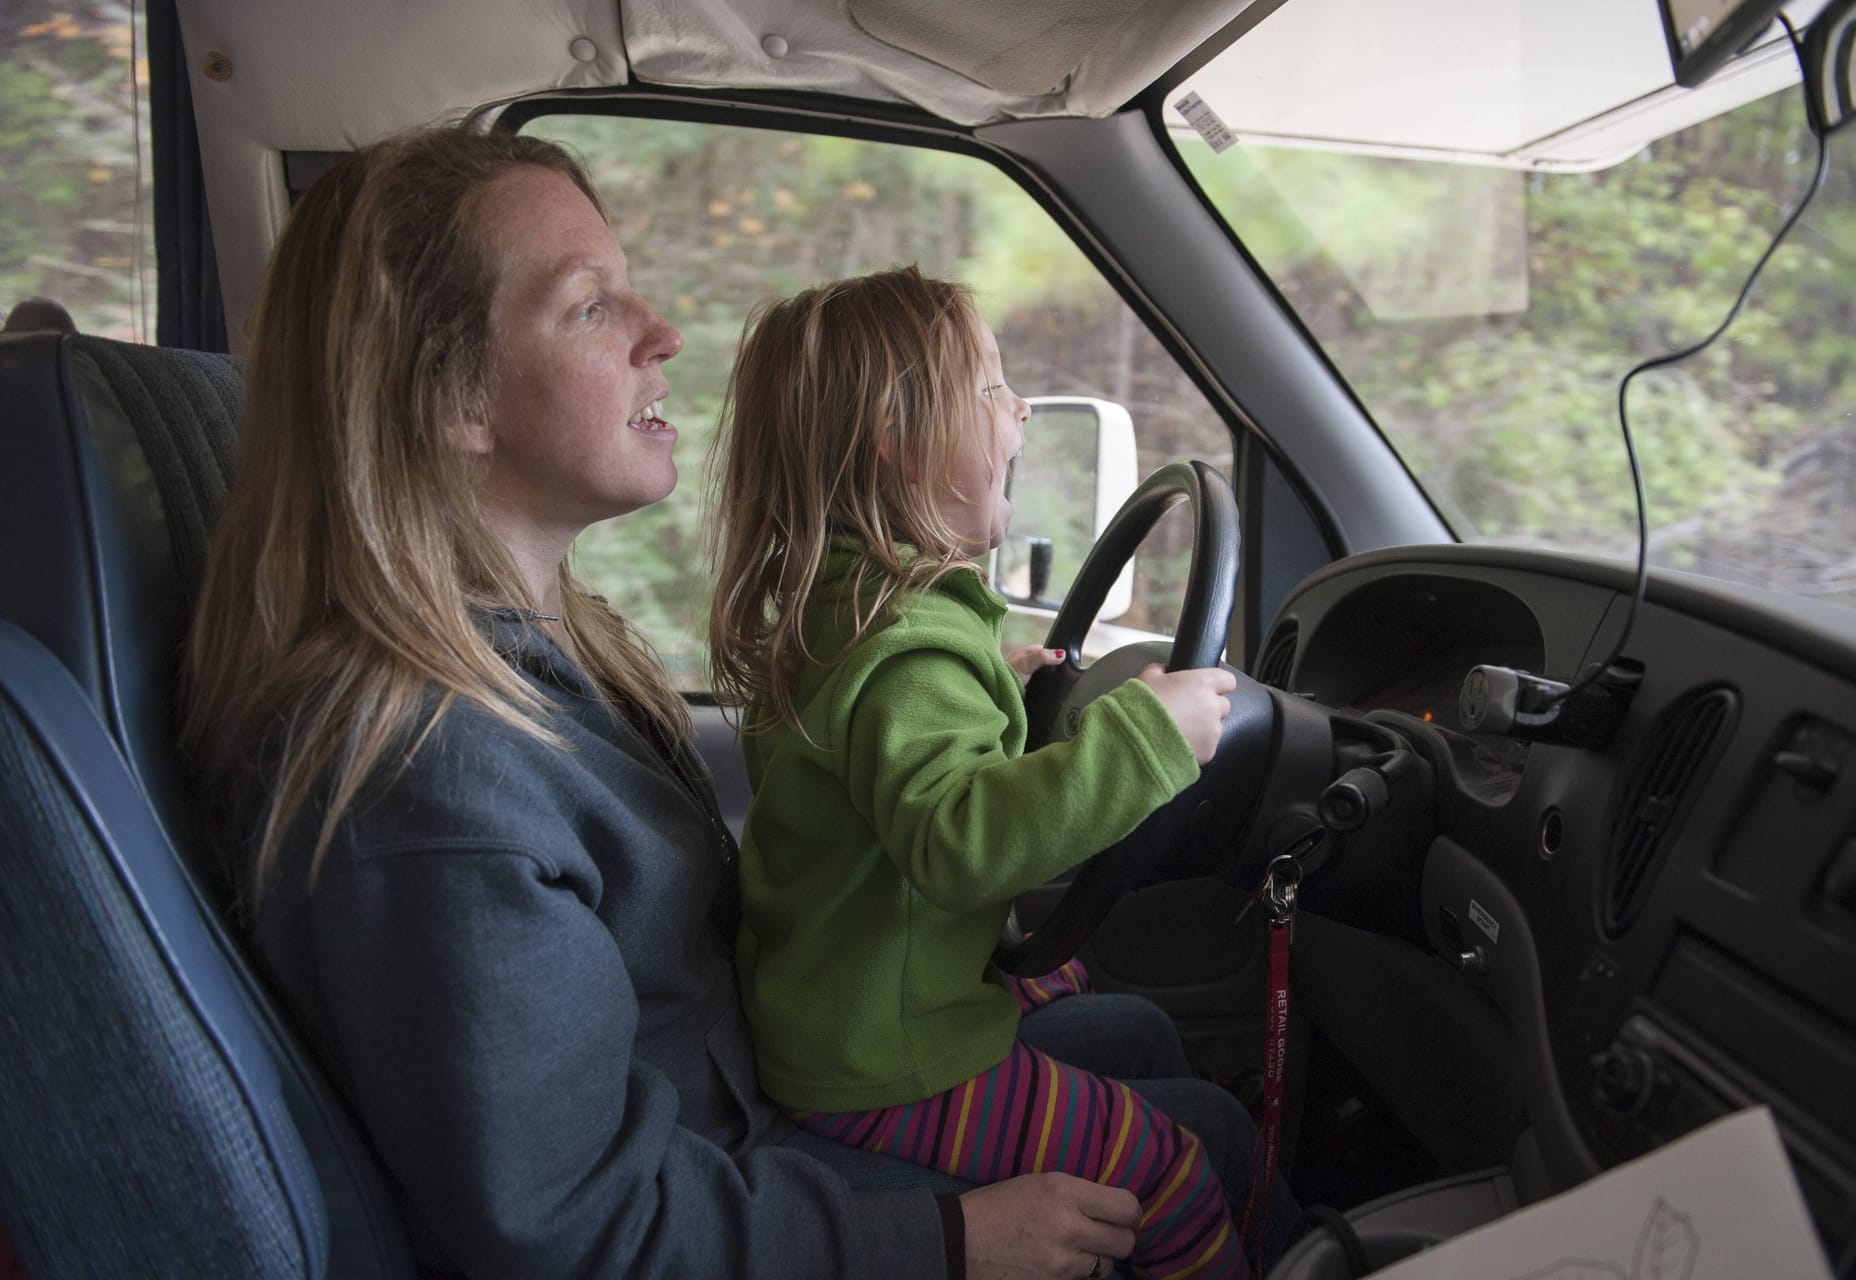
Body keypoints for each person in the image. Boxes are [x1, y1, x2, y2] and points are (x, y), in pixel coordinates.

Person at [179, 128, 1145, 1280]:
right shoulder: (432, 783)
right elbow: (583, 1226)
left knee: (1143, 1039)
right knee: (1199, 1148)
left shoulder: (548, 664)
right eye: (592, 307)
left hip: (744, 1125)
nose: (665, 335)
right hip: (725, 1189)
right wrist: (946, 1237)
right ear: (452, 394)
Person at [706, 266, 1255, 1279]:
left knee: (1084, 986)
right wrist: (1146, 738)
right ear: (898, 434)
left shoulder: (848, 616)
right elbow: (960, 842)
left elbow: (872, 760)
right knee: (1168, 1170)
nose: (1021, 412)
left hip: (838, 1009)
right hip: (890, 1059)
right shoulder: (909, 648)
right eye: (992, 388)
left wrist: (992, 689)